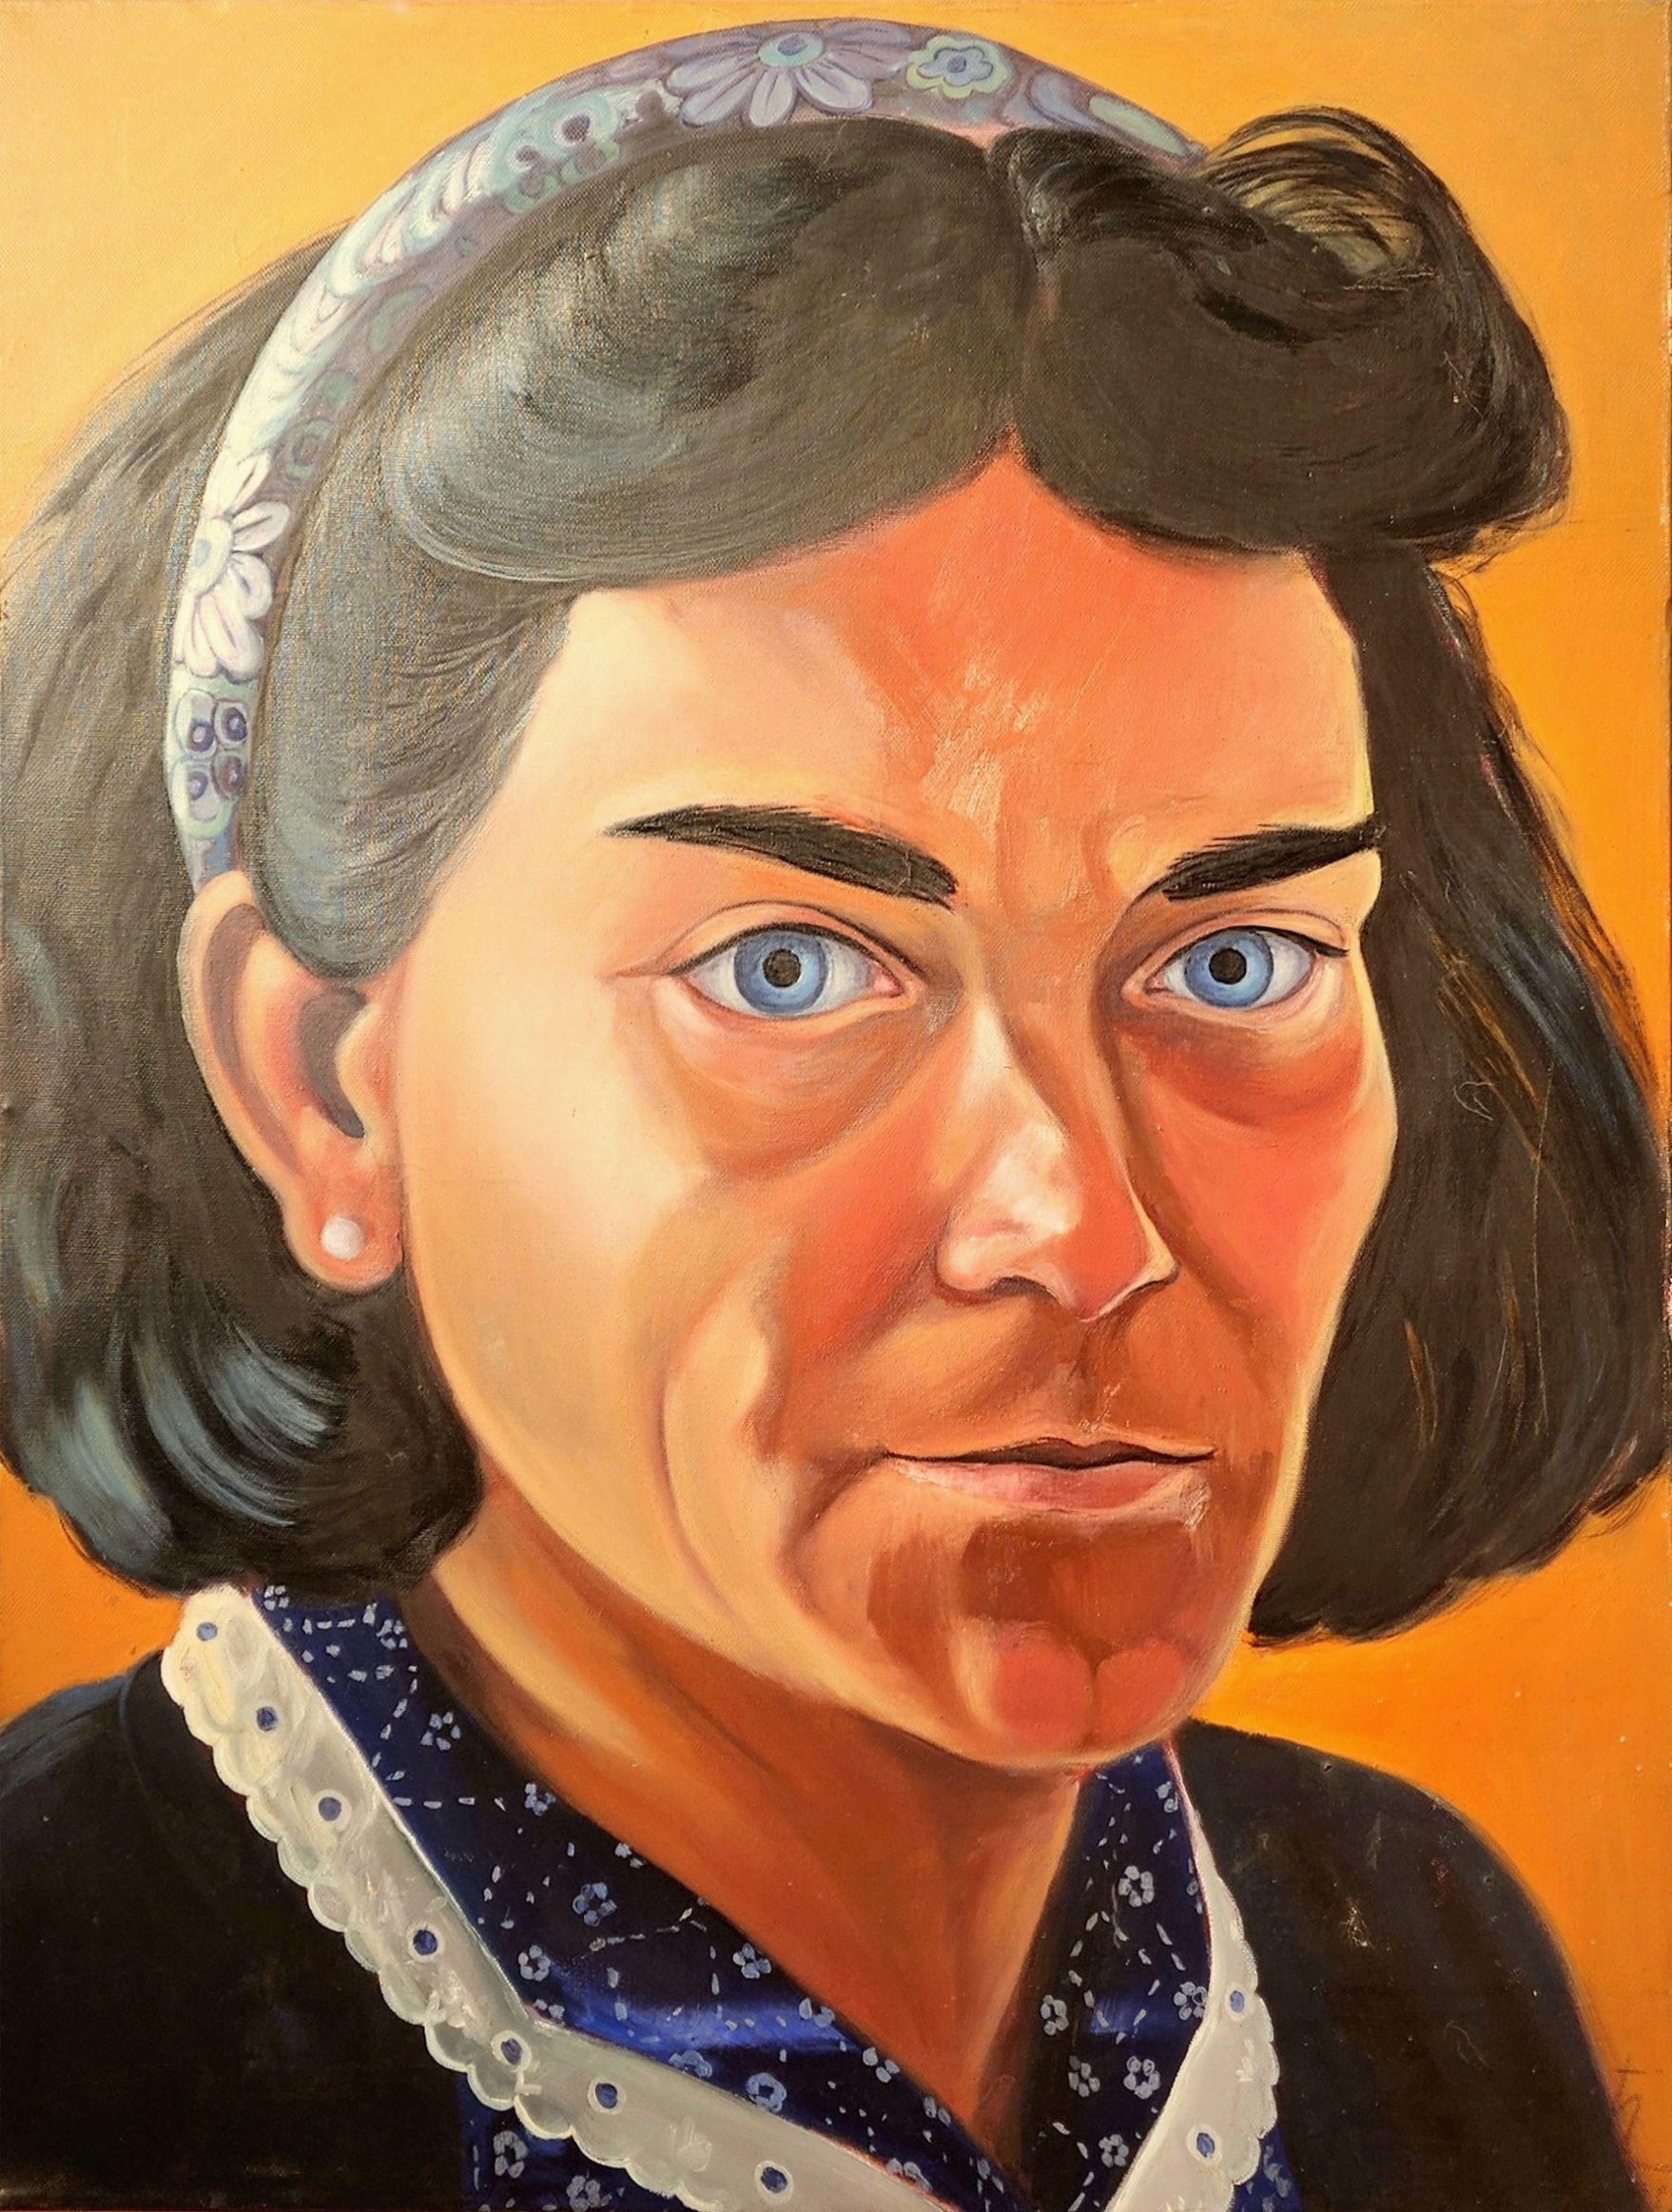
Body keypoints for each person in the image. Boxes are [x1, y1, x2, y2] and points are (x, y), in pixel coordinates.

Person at [0, 19, 1662, 2212]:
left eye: (1234, 964)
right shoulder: (58, 2018)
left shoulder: (1404, 1957)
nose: (1082, 1224)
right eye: (787, 967)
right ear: (325, 1088)